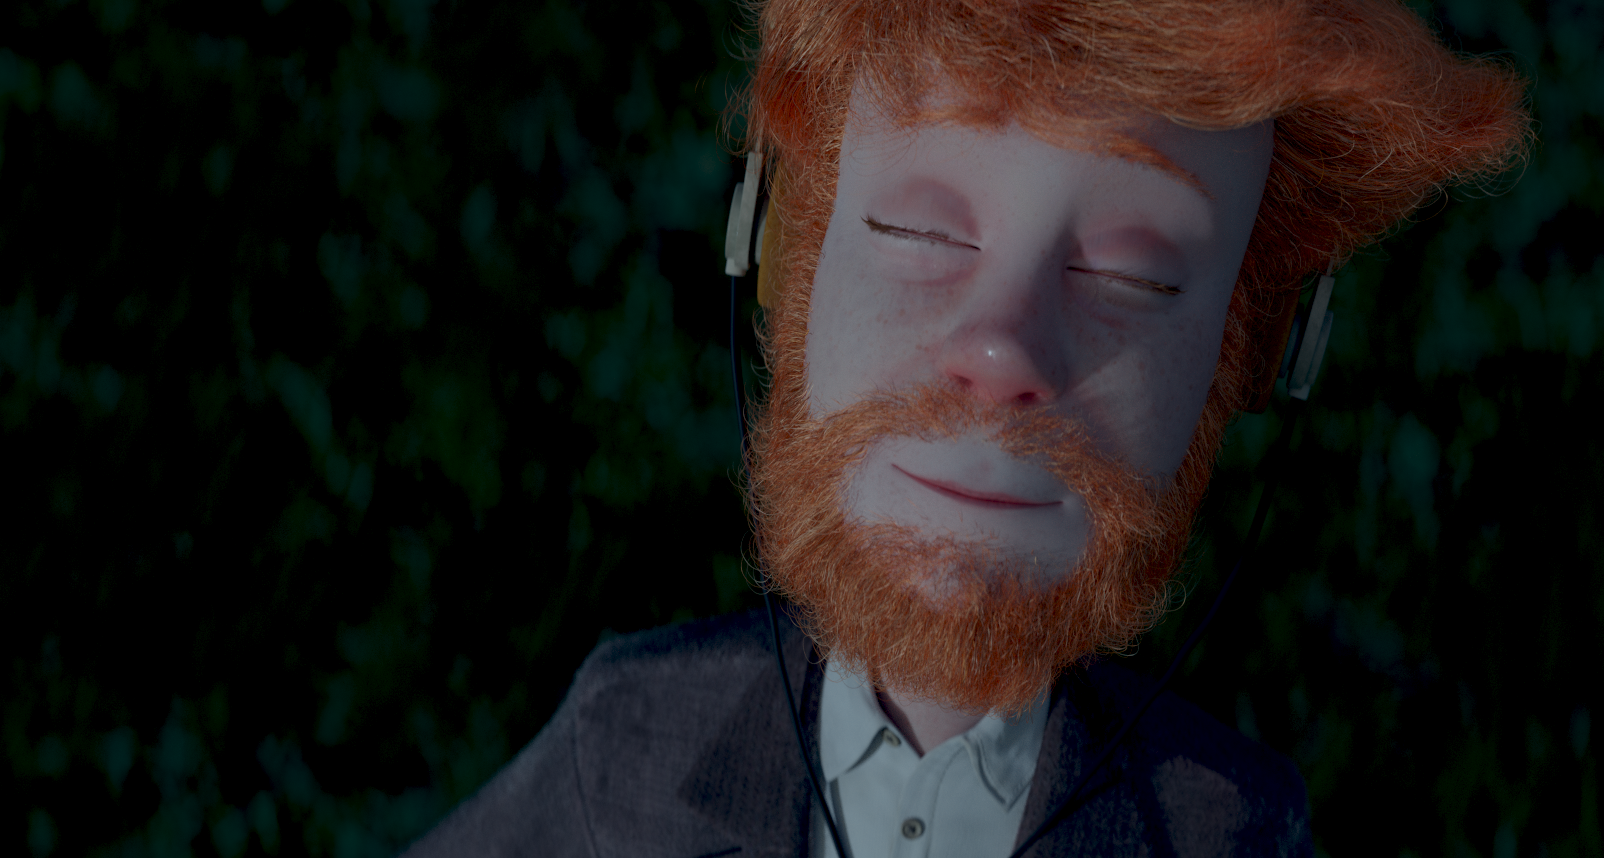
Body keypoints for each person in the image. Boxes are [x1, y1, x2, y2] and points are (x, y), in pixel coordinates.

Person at [409, 0, 1527, 855]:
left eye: (1132, 278)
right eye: (919, 231)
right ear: (783, 250)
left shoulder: (1228, 827)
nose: (1001, 355)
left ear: (1264, 357)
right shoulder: (627, 741)